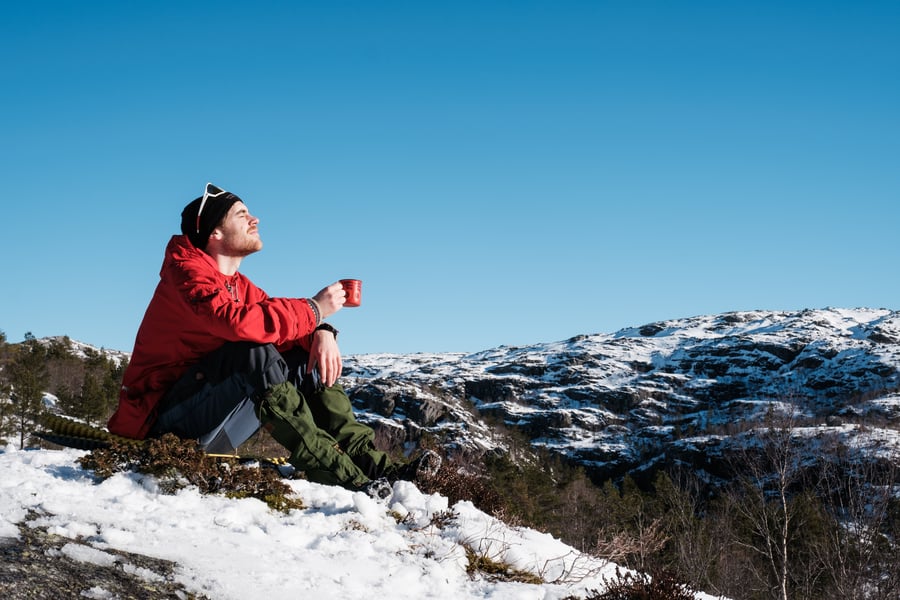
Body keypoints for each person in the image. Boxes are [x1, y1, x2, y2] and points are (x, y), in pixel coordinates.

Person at [108, 183, 439, 500]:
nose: (255, 219)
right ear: (215, 233)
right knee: (251, 349)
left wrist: (321, 331)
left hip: (210, 420)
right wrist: (315, 309)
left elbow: (280, 327)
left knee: (304, 357)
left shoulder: (239, 285)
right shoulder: (187, 274)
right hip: (161, 426)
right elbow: (237, 323)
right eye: (242, 214)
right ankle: (345, 478)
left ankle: (380, 470)